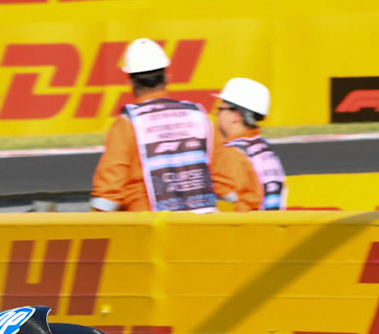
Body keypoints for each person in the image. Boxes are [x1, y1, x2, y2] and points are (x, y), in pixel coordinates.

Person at [90, 38, 218, 213]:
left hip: (152, 231)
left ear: (131, 82)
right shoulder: (199, 116)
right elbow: (223, 177)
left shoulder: (127, 124)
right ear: (167, 77)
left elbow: (109, 193)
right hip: (204, 227)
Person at [212, 77, 287, 211]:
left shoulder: (232, 154)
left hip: (249, 228)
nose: (217, 115)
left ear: (236, 115)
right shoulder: (265, 148)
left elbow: (229, 203)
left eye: (220, 109)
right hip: (273, 226)